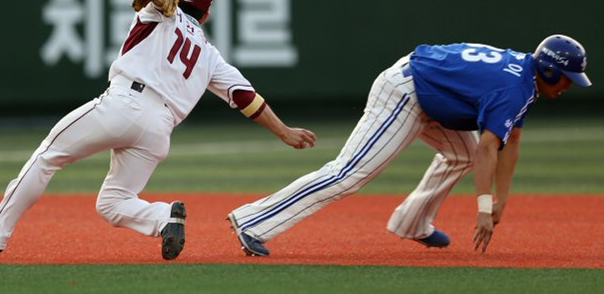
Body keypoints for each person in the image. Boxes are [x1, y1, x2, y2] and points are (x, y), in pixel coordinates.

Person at [0, 0, 316, 260]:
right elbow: (246, 98)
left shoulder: (159, 13)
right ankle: (164, 218)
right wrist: (284, 131)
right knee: (113, 203)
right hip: (159, 131)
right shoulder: (209, 55)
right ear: (207, 15)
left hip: (123, 104)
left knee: (48, 156)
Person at [228, 35, 591, 256]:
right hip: (406, 93)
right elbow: (488, 148)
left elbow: (509, 142)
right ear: (548, 71)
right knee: (348, 174)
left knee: (461, 154)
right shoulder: (515, 88)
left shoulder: (524, 81)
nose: (569, 85)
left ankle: (412, 221)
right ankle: (254, 222)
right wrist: (483, 206)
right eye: (567, 78)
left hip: (432, 97)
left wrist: (502, 200)